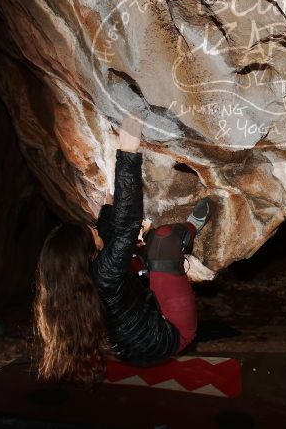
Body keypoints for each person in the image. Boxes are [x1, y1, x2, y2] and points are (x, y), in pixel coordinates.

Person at [33, 116, 211, 382]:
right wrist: (127, 152)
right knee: (162, 240)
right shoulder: (103, 274)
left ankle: (149, 272)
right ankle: (191, 229)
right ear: (87, 253)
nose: (93, 229)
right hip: (169, 334)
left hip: (128, 349)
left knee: (135, 254)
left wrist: (106, 207)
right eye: (89, 231)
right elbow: (126, 225)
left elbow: (107, 237)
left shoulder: (76, 278)